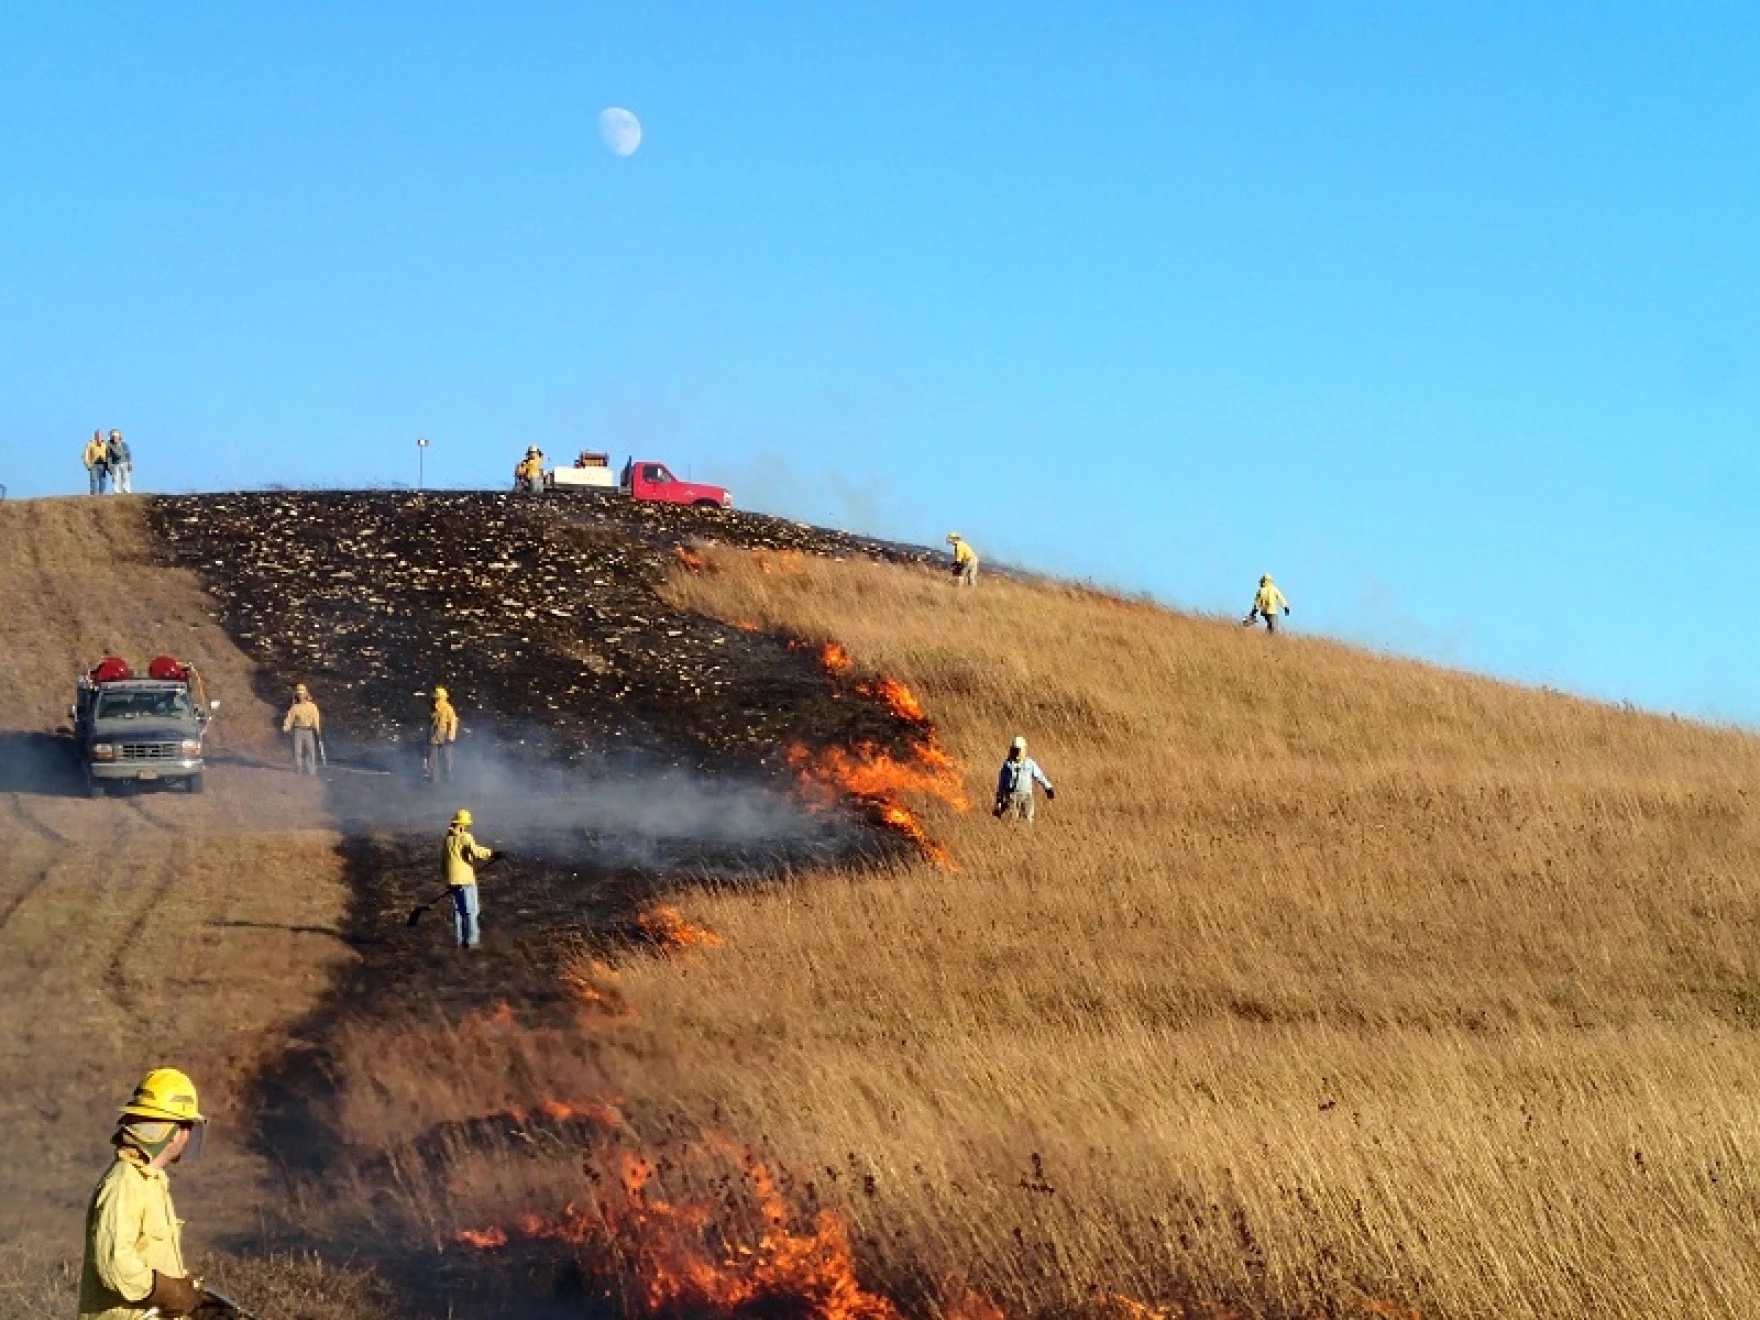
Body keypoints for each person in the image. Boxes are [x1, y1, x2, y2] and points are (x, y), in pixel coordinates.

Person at [78, 1068, 212, 1319]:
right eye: (187, 1126)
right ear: (173, 1131)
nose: (189, 1136)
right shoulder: (124, 1184)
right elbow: (116, 1266)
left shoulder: (151, 1182)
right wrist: (170, 1292)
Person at [442, 808, 493, 949]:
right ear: (462, 824)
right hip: (465, 880)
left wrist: (447, 879)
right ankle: (472, 941)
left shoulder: (448, 840)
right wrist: (492, 853)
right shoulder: (465, 837)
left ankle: (459, 940)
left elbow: (443, 862)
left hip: (452, 881)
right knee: (471, 910)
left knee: (458, 911)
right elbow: (475, 851)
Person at [993, 735, 1055, 823]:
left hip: (1027, 796)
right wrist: (999, 799)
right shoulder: (1007, 764)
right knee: (1010, 820)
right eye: (1015, 750)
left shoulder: (1029, 763)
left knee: (1027, 819)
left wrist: (1048, 788)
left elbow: (1040, 776)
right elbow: (1002, 782)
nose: (1016, 753)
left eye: (1018, 750)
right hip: (1011, 796)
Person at [281, 683, 321, 775]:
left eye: (302, 694)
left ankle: (311, 771)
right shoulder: (295, 707)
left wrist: (317, 728)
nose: (301, 696)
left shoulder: (312, 706)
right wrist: (286, 727)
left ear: (306, 694)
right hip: (298, 730)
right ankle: (298, 769)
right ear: (297, 695)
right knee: (297, 751)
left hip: (309, 730)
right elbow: (289, 718)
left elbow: (316, 717)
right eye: (299, 694)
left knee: (310, 751)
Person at [424, 686, 458, 783]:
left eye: (436, 697)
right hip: (435, 738)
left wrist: (450, 737)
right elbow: (431, 725)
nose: (435, 699)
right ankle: (432, 778)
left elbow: (453, 723)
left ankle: (447, 779)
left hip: (445, 739)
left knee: (446, 760)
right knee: (432, 759)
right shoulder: (434, 709)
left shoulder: (448, 708)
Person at [83, 430, 110, 496]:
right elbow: (86, 454)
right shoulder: (90, 444)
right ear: (95, 436)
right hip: (93, 464)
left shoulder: (105, 444)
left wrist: (109, 464)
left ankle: (101, 494)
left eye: (100, 436)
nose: (99, 437)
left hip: (103, 464)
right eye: (97, 436)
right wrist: (87, 464)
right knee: (93, 479)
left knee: (102, 479)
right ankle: (93, 494)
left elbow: (108, 454)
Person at [107, 430, 134, 494]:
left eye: (116, 437)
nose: (115, 438)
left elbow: (128, 454)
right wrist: (109, 465)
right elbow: (109, 456)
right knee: (116, 478)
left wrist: (130, 463)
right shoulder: (110, 446)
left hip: (125, 463)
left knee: (126, 477)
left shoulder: (124, 445)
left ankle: (127, 491)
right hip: (115, 464)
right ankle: (117, 492)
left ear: (119, 437)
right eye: (113, 437)